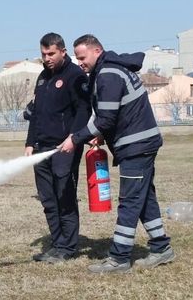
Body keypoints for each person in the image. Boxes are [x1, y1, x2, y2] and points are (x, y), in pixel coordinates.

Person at [66, 34, 174, 274]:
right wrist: (103, 135)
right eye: (77, 59)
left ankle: (119, 258)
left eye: (82, 57)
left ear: (97, 51)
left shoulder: (108, 74)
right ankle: (161, 247)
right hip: (139, 143)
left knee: (129, 201)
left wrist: (75, 138)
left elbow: (105, 119)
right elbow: (117, 114)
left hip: (136, 147)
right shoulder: (110, 70)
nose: (80, 63)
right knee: (144, 198)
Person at [25, 33, 92, 263]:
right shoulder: (43, 78)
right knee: (48, 199)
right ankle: (56, 244)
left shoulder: (75, 76)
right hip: (41, 149)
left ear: (63, 51)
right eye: (43, 54)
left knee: (65, 197)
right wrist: (29, 143)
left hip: (65, 147)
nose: (47, 58)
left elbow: (83, 111)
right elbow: (35, 114)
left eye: (51, 53)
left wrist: (73, 139)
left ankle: (68, 247)